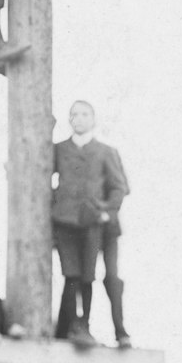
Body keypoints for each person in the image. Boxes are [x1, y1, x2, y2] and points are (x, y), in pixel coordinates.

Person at [51, 101, 130, 349]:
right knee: (70, 272)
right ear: (69, 120)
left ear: (93, 119)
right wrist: (54, 200)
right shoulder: (59, 149)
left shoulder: (105, 151)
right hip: (65, 221)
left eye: (85, 114)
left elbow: (120, 187)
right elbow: (41, 175)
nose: (79, 119)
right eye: (74, 114)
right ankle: (70, 325)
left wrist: (106, 211)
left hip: (92, 222)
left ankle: (83, 323)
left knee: (87, 274)